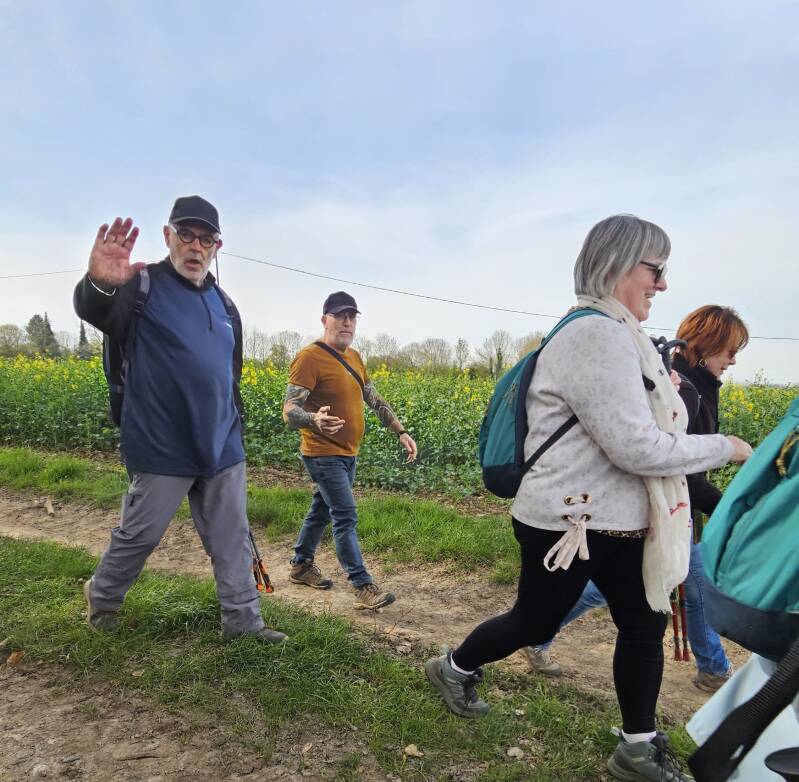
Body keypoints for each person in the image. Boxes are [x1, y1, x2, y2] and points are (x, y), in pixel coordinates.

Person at [424, 214, 752, 782]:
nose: (663, 283)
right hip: (568, 520)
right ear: (618, 265)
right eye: (656, 269)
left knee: (645, 625)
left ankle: (637, 748)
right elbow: (636, 446)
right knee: (533, 621)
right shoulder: (596, 335)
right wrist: (725, 447)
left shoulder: (623, 335)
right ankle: (453, 667)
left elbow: (650, 427)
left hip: (618, 517)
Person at [74, 196, 286, 644]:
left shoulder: (225, 305)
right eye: (186, 234)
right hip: (161, 443)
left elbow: (230, 377)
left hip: (222, 445)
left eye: (206, 239)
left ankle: (244, 624)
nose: (195, 246)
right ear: (168, 236)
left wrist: (236, 429)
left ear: (217, 247)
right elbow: (95, 309)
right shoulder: (141, 286)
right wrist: (98, 283)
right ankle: (103, 597)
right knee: (140, 534)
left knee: (232, 537)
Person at [524, 306, 750, 694]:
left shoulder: (695, 385)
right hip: (665, 510)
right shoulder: (685, 391)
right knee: (675, 590)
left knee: (652, 587)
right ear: (707, 344)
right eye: (729, 350)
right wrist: (727, 507)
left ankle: (536, 633)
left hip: (672, 510)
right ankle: (713, 669)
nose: (732, 360)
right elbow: (673, 465)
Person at [282, 291, 418, 610]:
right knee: (345, 515)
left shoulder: (355, 357)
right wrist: (313, 419)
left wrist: (401, 431)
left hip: (348, 452)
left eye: (352, 317)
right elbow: (289, 411)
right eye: (340, 316)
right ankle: (362, 585)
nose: (347, 322)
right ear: (324, 319)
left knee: (322, 509)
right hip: (321, 452)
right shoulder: (309, 357)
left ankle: (301, 565)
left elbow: (373, 397)